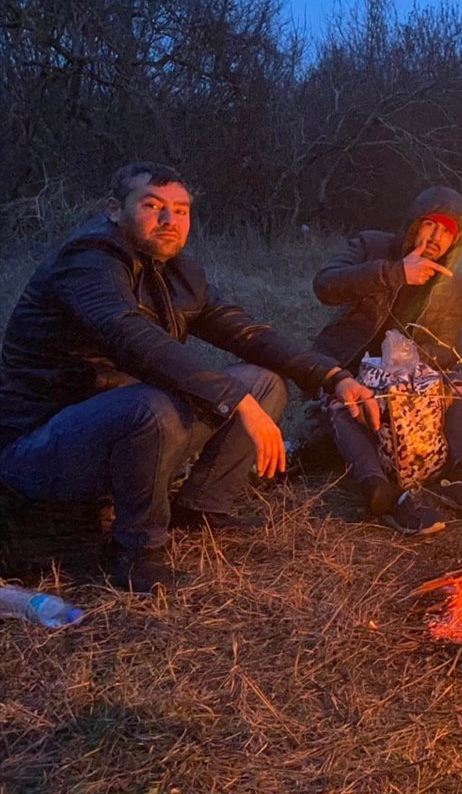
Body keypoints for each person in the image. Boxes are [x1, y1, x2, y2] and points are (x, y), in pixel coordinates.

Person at [0, 162, 379, 592]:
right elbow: (129, 336)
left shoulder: (178, 272)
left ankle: (200, 509)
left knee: (262, 380)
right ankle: (138, 552)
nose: (169, 220)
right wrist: (234, 402)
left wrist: (332, 376)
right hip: (39, 447)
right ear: (114, 210)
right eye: (152, 205)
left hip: (120, 432)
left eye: (181, 210)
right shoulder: (86, 264)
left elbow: (246, 332)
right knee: (154, 404)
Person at [310, 187, 462, 531]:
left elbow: (446, 349)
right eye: (430, 225)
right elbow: (325, 285)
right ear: (413, 224)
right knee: (342, 401)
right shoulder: (372, 246)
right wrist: (395, 273)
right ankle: (377, 488)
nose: (436, 237)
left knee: (456, 385)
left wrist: (407, 368)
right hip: (347, 365)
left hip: (407, 382)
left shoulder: (452, 285)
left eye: (447, 231)